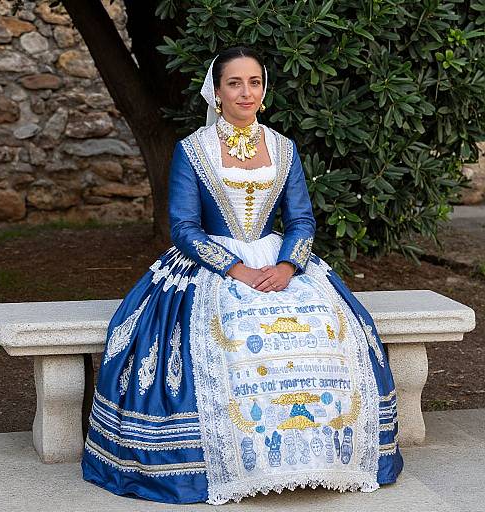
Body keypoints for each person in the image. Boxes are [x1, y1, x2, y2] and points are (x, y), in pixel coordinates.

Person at [81, 46, 404, 505]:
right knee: (228, 333)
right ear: (216, 92)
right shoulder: (193, 150)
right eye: (234, 83)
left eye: (254, 82)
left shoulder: (283, 147)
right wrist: (238, 270)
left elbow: (302, 222)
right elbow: (183, 228)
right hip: (212, 265)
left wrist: (288, 265)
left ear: (264, 89)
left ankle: (316, 457)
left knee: (324, 328)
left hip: (280, 262)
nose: (246, 92)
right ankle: (233, 461)